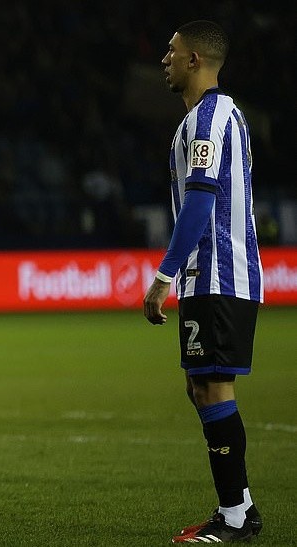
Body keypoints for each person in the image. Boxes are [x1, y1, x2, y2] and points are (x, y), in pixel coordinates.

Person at [144, 20, 263, 543]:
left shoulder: (211, 118)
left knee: (212, 385)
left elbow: (200, 201)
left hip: (218, 273)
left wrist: (163, 276)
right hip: (208, 277)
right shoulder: (203, 119)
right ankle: (240, 507)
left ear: (195, 59)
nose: (164, 60)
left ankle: (235, 518)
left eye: (171, 52)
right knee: (201, 386)